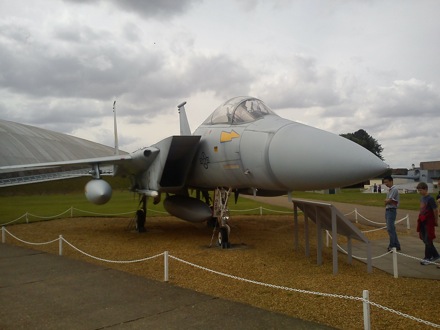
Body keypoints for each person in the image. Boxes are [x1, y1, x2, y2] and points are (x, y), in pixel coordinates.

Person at [416, 182, 439, 265]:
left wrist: (436, 220)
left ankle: (428, 257)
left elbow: (435, 210)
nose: (419, 192)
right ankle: (436, 255)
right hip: (422, 221)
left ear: (425, 189)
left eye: (421, 190)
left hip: (428, 221)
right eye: (418, 190)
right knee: (425, 239)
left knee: (428, 239)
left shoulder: (430, 199)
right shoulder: (422, 198)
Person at [383, 175, 401, 251]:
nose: (386, 184)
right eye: (384, 182)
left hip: (391, 210)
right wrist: (387, 201)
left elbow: (389, 200)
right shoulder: (390, 189)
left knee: (390, 229)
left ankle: (392, 245)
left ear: (391, 181)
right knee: (391, 228)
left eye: (387, 182)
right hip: (388, 210)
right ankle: (397, 245)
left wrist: (387, 201)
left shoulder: (394, 189)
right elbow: (387, 201)